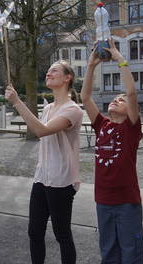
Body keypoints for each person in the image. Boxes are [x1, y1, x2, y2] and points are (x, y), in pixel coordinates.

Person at [5, 61, 84, 264]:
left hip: (61, 179)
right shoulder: (48, 108)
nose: (48, 73)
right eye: (48, 70)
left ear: (68, 78)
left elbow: (41, 130)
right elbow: (41, 132)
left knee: (62, 234)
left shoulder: (73, 109)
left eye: (54, 70)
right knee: (34, 232)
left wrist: (16, 102)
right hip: (42, 176)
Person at [81, 39, 143, 264]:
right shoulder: (102, 125)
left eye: (121, 100)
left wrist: (119, 59)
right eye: (115, 99)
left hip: (127, 202)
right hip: (103, 201)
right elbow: (85, 98)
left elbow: (131, 92)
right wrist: (91, 65)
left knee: (131, 253)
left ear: (131, 112)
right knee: (108, 253)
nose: (117, 100)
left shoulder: (130, 128)